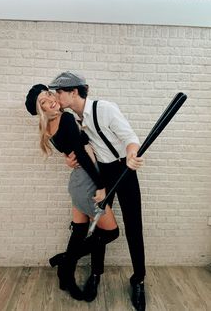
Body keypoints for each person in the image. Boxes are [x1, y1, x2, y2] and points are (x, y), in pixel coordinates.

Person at [48, 71, 146, 311]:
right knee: (98, 224)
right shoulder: (72, 117)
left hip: (123, 170)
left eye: (59, 92)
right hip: (100, 173)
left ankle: (139, 280)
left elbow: (130, 138)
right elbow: (78, 147)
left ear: (73, 92)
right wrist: (68, 159)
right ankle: (95, 275)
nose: (56, 96)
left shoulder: (105, 109)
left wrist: (132, 154)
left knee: (134, 227)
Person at [25, 84, 119, 302]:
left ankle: (65, 273)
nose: (50, 100)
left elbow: (72, 154)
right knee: (111, 233)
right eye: (43, 102)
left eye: (48, 94)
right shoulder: (66, 119)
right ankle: (66, 260)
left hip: (77, 182)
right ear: (42, 110)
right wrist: (101, 185)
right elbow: (83, 158)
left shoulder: (49, 127)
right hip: (86, 182)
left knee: (79, 231)